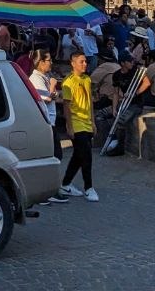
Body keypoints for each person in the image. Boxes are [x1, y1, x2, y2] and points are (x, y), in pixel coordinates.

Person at [26, 50, 68, 204]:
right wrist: (52, 86)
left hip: (50, 121)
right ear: (41, 62)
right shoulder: (36, 78)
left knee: (54, 155)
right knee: (53, 156)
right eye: (48, 60)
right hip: (45, 122)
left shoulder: (45, 76)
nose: (51, 62)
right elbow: (48, 99)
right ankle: (48, 190)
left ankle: (51, 188)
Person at [58, 50, 99, 202]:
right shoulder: (68, 82)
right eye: (81, 62)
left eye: (85, 61)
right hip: (76, 123)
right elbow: (66, 107)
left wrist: (93, 121)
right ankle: (89, 187)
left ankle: (65, 183)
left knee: (78, 156)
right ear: (73, 63)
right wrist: (69, 126)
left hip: (87, 122)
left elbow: (90, 103)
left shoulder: (87, 79)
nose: (84, 64)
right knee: (86, 155)